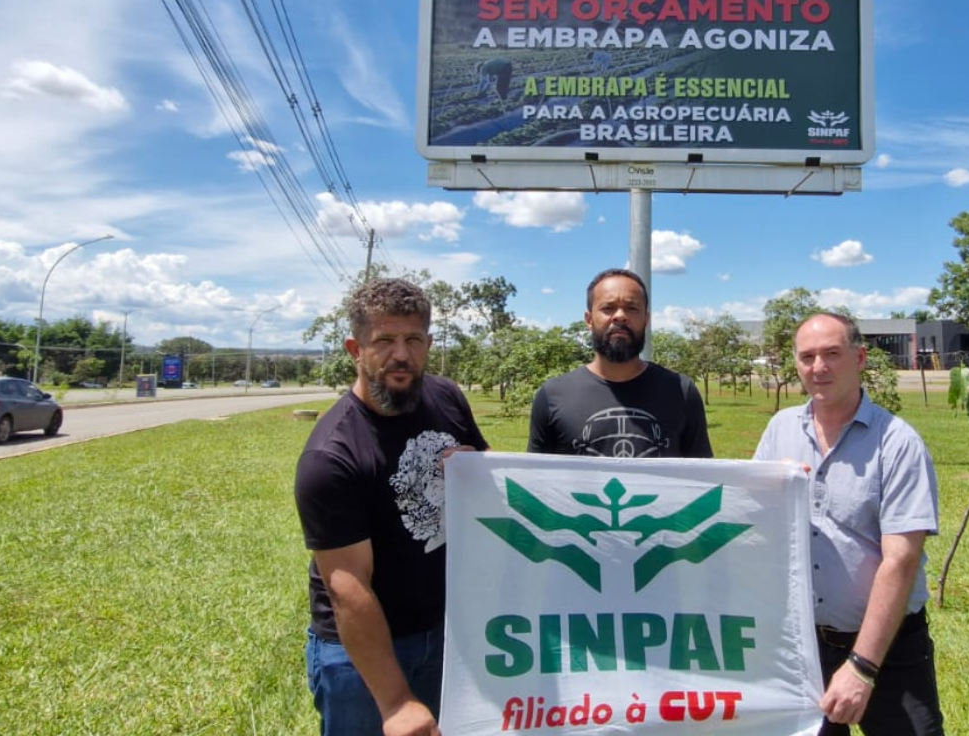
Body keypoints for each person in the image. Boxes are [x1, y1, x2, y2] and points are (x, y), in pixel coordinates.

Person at [294, 277, 489, 736]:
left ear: (429, 343)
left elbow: (485, 475)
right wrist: (397, 701)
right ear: (354, 348)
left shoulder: (447, 397)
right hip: (361, 654)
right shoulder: (331, 456)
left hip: (447, 632)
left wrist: (473, 470)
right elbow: (347, 586)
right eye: (384, 340)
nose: (401, 355)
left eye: (413, 340)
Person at [752, 312, 944, 736]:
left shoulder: (897, 443)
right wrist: (769, 486)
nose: (818, 367)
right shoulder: (779, 430)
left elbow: (901, 560)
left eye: (832, 354)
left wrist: (861, 666)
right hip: (802, 644)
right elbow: (752, 523)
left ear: (859, 358)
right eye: (807, 357)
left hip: (888, 647)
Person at [528, 268, 712, 458]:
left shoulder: (681, 392)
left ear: (646, 320)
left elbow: (705, 479)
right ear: (589, 319)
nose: (620, 316)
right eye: (608, 308)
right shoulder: (552, 396)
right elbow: (535, 480)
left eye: (632, 308)